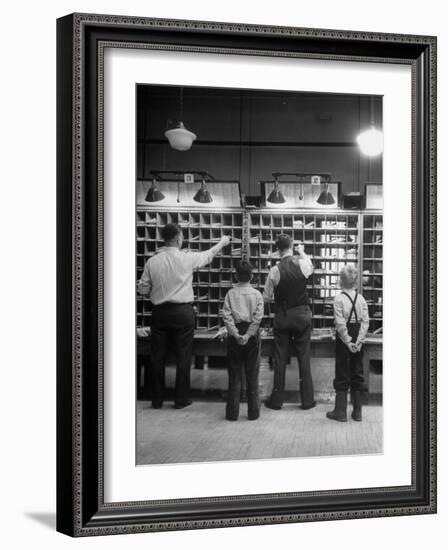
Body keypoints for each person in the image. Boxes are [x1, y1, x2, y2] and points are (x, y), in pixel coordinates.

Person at [137, 223, 230, 409]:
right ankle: (181, 399)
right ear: (179, 238)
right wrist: (222, 242)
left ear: (164, 239)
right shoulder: (187, 258)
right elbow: (208, 255)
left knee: (157, 357)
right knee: (183, 357)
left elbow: (143, 289)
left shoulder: (152, 261)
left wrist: (156, 290)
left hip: (160, 313)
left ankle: (157, 399)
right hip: (182, 313)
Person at [263, 234, 315, 410]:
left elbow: (266, 297)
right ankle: (307, 401)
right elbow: (311, 268)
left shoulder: (274, 270)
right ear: (292, 246)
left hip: (283, 318)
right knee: (304, 357)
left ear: (277, 250)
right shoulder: (301, 263)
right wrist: (302, 252)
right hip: (302, 317)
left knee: (280, 358)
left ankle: (277, 401)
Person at [221, 261, 264, 421]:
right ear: (252, 276)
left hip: (235, 336)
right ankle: (253, 412)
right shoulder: (257, 295)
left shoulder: (230, 294)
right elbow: (258, 318)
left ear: (236, 275)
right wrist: (248, 335)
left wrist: (236, 333)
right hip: (252, 337)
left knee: (234, 374)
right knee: (252, 374)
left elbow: (226, 316)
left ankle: (232, 413)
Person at [327, 264, 370, 422]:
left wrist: (348, 341)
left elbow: (340, 324)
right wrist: (359, 341)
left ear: (340, 281)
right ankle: (357, 412)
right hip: (358, 336)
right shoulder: (361, 298)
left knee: (342, 372)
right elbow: (365, 322)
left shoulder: (338, 299)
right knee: (357, 372)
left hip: (344, 340)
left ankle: (340, 412)